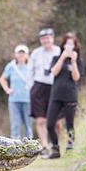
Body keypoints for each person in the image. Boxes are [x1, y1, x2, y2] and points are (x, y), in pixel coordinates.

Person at [46, 32, 84, 159]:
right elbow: (54, 72)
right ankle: (55, 149)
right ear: (63, 45)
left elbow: (76, 77)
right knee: (50, 123)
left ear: (75, 46)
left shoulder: (78, 61)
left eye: (71, 44)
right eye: (67, 44)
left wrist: (73, 61)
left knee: (69, 124)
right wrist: (62, 57)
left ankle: (70, 147)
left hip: (70, 95)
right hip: (56, 95)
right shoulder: (56, 58)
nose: (69, 46)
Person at [28, 28, 61, 156]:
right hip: (39, 86)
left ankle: (55, 145)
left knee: (57, 121)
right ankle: (44, 146)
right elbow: (30, 71)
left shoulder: (59, 51)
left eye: (48, 38)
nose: (45, 40)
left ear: (52, 38)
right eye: (43, 38)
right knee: (40, 120)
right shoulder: (36, 53)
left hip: (55, 87)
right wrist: (31, 88)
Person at [0, 44, 32, 139]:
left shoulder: (31, 66)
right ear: (15, 54)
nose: (21, 55)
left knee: (28, 123)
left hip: (28, 99)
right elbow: (3, 78)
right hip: (14, 99)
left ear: (27, 55)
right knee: (15, 124)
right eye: (19, 53)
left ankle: (29, 145)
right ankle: (15, 145)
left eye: (23, 53)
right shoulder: (11, 66)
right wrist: (7, 89)